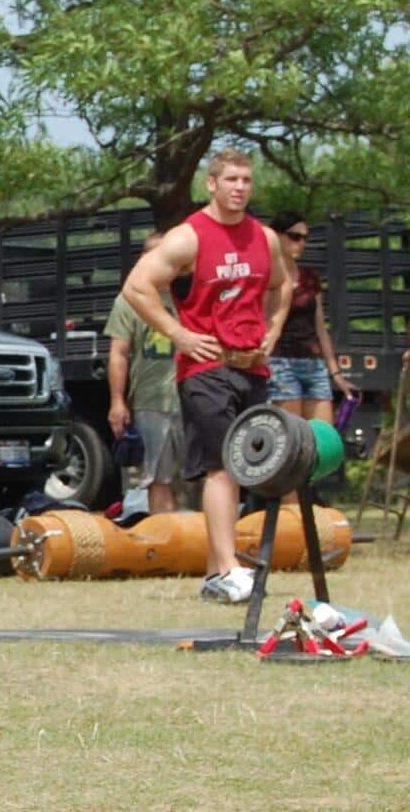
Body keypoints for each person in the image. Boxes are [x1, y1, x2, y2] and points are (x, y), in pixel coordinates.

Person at [121, 149, 291, 603]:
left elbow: (282, 284)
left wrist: (272, 330)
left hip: (251, 366)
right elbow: (137, 286)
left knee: (246, 467)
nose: (240, 187)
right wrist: (179, 334)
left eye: (247, 180)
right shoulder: (189, 237)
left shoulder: (265, 238)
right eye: (231, 179)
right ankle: (229, 568)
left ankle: (220, 572)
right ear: (211, 184)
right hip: (205, 368)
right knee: (222, 466)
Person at [105, 233, 182, 515]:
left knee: (200, 475)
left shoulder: (186, 295)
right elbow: (118, 353)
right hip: (151, 400)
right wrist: (117, 401)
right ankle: (167, 545)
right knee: (158, 478)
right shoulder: (129, 300)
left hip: (191, 395)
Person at [266, 212, 357, 425]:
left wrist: (336, 374)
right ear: (276, 237)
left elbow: (320, 329)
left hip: (313, 364)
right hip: (281, 362)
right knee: (295, 439)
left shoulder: (310, 277)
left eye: (305, 238)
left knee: (323, 439)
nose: (301, 243)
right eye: (294, 236)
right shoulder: (267, 276)